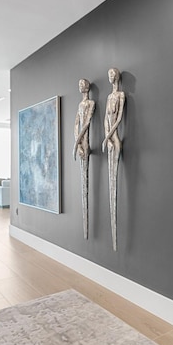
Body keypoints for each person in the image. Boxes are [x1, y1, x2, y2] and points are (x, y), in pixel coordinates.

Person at [102, 68, 125, 251]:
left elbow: (118, 120)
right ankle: (113, 239)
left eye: (112, 74)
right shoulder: (108, 97)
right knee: (110, 182)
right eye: (108, 74)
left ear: (116, 76)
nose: (110, 77)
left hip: (115, 139)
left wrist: (109, 137)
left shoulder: (121, 95)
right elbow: (105, 119)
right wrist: (105, 138)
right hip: (109, 141)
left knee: (114, 182)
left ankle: (116, 239)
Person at [73, 79, 95, 239]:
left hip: (85, 143)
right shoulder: (80, 105)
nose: (80, 87)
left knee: (85, 179)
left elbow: (86, 123)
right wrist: (77, 143)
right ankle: (86, 231)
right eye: (79, 84)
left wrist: (79, 143)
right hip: (81, 144)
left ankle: (87, 231)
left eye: (82, 84)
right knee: (83, 180)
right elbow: (76, 124)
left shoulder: (91, 103)